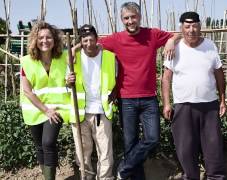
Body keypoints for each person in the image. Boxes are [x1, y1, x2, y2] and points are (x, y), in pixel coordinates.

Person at [97, 2, 179, 179]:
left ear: (139, 17)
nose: (130, 21)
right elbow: (92, 43)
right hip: (126, 99)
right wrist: (73, 49)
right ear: (121, 20)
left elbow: (179, 34)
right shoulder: (116, 39)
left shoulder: (152, 34)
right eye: (126, 18)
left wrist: (171, 40)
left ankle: (124, 168)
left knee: (153, 138)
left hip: (149, 98)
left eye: (133, 17)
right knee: (130, 143)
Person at [161, 11, 227, 180]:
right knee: (186, 149)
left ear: (200, 26)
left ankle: (215, 177)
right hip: (183, 106)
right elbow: (166, 77)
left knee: (213, 149)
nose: (191, 30)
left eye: (195, 26)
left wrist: (222, 100)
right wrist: (167, 103)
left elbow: (219, 74)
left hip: (209, 106)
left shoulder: (210, 45)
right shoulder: (174, 48)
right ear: (182, 28)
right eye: (187, 26)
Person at [20, 21, 69, 180]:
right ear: (35, 40)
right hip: (34, 110)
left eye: (49, 37)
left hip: (55, 109)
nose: (45, 41)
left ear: (54, 39)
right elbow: (27, 91)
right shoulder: (27, 61)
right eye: (41, 37)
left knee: (48, 143)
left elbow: (80, 54)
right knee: (40, 146)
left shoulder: (64, 58)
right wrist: (44, 109)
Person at [67, 24, 116, 180]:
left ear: (97, 39)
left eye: (91, 39)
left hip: (102, 111)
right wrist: (68, 82)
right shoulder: (72, 58)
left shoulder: (109, 57)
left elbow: (117, 81)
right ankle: (86, 176)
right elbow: (67, 85)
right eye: (85, 40)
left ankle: (105, 177)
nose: (89, 43)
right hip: (80, 111)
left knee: (105, 149)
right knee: (82, 150)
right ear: (81, 41)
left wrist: (112, 98)